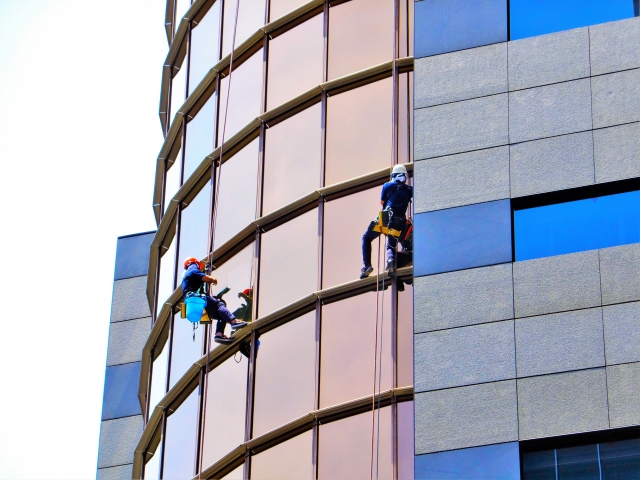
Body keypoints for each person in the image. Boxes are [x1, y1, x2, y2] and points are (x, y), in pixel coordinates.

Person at [360, 164, 413, 279]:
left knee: (366, 237)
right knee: (391, 245)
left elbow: (382, 202)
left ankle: (367, 266)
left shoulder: (387, 185)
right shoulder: (409, 190)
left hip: (386, 218)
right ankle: (391, 262)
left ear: (394, 176)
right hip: (400, 222)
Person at [182, 257, 247, 344]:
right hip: (198, 299)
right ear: (194, 264)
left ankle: (219, 335)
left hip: (195, 303)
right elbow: (207, 279)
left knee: (222, 315)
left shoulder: (186, 277)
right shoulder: (193, 271)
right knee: (220, 305)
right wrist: (213, 279)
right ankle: (234, 322)